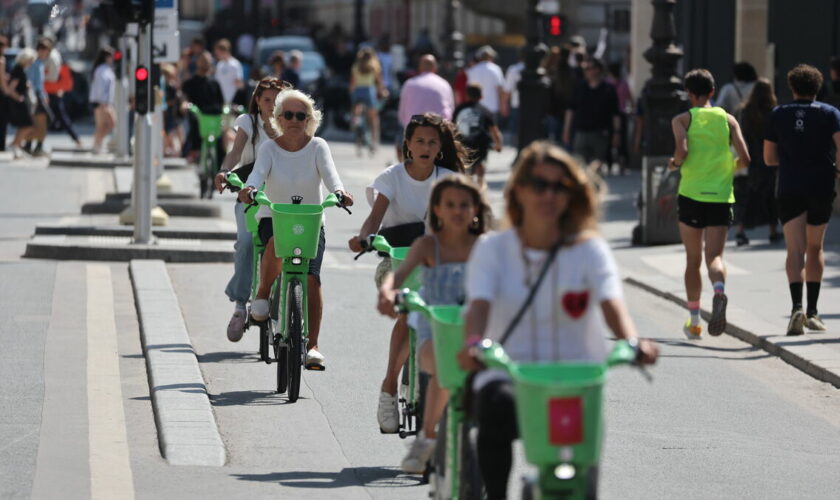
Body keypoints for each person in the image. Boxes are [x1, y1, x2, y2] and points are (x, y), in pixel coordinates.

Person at [457, 141, 658, 500]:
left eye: (559, 187)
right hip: (510, 372)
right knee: (496, 407)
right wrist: (474, 343)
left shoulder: (589, 250)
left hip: (575, 378)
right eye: (539, 185)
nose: (549, 195)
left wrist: (632, 342)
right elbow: (479, 306)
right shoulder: (493, 249)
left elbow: (612, 303)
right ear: (518, 190)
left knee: (584, 462)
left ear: (571, 196)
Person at [347, 113, 467, 434]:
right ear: (407, 146)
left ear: (440, 147)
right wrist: (364, 237)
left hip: (439, 267)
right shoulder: (392, 177)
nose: (425, 147)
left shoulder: (448, 179)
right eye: (419, 141)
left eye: (432, 142)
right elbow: (375, 217)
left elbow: (469, 219)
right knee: (407, 315)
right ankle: (388, 389)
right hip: (396, 261)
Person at [377, 175, 491, 473]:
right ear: (436, 210)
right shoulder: (428, 246)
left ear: (476, 209)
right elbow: (397, 279)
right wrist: (388, 295)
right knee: (442, 365)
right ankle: (426, 438)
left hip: (473, 326)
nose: (457, 210)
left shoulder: (485, 247)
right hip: (434, 324)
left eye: (464, 204)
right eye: (449, 204)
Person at [238, 88, 355, 369]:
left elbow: (331, 176)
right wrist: (250, 188)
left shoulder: (318, 146)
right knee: (274, 243)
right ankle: (263, 293)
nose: (294, 120)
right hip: (273, 217)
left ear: (309, 119)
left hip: (311, 220)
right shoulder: (269, 148)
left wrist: (340, 192)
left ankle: (313, 345)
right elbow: (257, 174)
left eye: (300, 115)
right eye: (288, 114)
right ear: (278, 118)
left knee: (312, 279)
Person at [669, 69, 750, 339]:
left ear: (689, 94)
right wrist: (728, 168)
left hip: (692, 194)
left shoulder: (682, 119)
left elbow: (682, 153)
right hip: (720, 195)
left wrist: (675, 163)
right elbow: (746, 158)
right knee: (714, 257)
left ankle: (694, 321)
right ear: (713, 92)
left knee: (693, 259)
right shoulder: (728, 119)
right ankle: (719, 291)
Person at [764, 64, 840, 335]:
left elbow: (769, 158)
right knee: (815, 248)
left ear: (792, 87)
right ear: (817, 88)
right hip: (820, 185)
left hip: (790, 186)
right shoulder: (831, 114)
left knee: (794, 250)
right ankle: (813, 312)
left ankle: (796, 307)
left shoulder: (778, 115)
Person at [215, 78, 288, 341]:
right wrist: (225, 171)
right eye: (266, 99)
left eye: (276, 100)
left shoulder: (291, 123)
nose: (271, 105)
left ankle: (284, 304)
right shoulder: (248, 122)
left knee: (283, 245)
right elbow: (235, 153)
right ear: (257, 101)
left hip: (280, 198)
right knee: (246, 243)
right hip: (250, 195)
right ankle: (239, 305)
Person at [733, 79, 781, 246]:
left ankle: (740, 230)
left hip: (750, 158)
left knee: (748, 196)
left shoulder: (744, 111)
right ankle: (773, 230)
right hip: (768, 159)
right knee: (769, 196)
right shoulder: (773, 112)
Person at [563, 58, 620, 171]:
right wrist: (566, 130)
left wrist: (617, 133)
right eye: (585, 69)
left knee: (597, 167)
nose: (588, 71)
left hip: (600, 133)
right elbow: (570, 109)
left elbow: (615, 114)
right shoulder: (580, 87)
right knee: (579, 166)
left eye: (590, 68)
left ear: (598, 69)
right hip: (581, 132)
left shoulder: (608, 89)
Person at [396, 54, 455, 162]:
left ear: (420, 67)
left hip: (414, 128)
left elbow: (402, 112)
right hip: (439, 128)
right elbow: (451, 108)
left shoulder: (409, 84)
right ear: (435, 67)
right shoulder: (444, 84)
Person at [454, 82, 503, 188]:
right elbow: (494, 130)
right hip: (481, 143)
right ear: (481, 96)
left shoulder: (459, 109)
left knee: (465, 165)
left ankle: (465, 184)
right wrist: (498, 144)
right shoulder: (485, 111)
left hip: (464, 142)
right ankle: (480, 186)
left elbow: (453, 127)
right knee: (480, 164)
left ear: (466, 95)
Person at [181, 51, 225, 161]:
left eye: (208, 61)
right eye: (203, 61)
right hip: (198, 119)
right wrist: (184, 104)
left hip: (214, 120)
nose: (206, 64)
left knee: (220, 146)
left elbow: (221, 102)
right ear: (197, 63)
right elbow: (184, 98)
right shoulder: (190, 82)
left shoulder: (215, 83)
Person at [43, 41, 82, 148]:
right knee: (46, 118)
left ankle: (76, 139)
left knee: (49, 118)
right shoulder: (55, 57)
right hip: (52, 92)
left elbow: (53, 76)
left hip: (52, 92)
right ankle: (76, 139)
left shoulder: (52, 57)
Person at [349, 47, 387, 155]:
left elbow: (352, 83)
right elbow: (379, 81)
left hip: (357, 91)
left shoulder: (356, 66)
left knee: (356, 113)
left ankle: (356, 124)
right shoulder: (374, 66)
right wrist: (382, 91)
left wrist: (351, 94)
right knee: (373, 119)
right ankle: (374, 143)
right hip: (369, 91)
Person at [25, 39, 53, 157]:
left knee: (39, 122)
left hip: (40, 96)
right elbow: (33, 83)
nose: (43, 53)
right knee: (43, 122)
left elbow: (41, 84)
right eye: (41, 50)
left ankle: (32, 146)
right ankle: (32, 146)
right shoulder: (35, 64)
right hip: (36, 97)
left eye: (46, 51)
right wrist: (41, 97)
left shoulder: (40, 64)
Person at [8, 48, 37, 159]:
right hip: (18, 103)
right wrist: (18, 97)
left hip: (21, 102)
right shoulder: (18, 70)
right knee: (27, 125)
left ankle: (16, 146)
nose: (31, 63)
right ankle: (15, 144)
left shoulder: (21, 69)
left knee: (23, 125)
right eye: (30, 60)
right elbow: (11, 88)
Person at [466, 45, 505, 121]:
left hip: (476, 106)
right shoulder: (496, 69)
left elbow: (469, 89)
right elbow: (499, 89)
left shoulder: (472, 70)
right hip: (492, 107)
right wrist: (502, 105)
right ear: (490, 57)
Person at [89, 47, 116, 155]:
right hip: (101, 102)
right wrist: (102, 102)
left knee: (108, 124)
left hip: (106, 102)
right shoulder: (101, 70)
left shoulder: (106, 69)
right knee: (105, 124)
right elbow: (100, 87)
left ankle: (98, 143)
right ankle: (97, 144)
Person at [502, 48, 525, 144]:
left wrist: (504, 105)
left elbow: (507, 90)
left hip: (516, 103)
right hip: (527, 105)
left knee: (515, 128)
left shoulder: (513, 69)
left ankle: (516, 146)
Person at [213, 39, 243, 104]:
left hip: (232, 101)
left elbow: (239, 82)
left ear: (224, 51)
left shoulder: (235, 64)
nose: (217, 55)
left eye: (218, 53)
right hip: (220, 100)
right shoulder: (219, 64)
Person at [0, 35, 10, 152]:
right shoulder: (1, 60)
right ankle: (1, 145)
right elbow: (2, 80)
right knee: (2, 120)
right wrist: (8, 92)